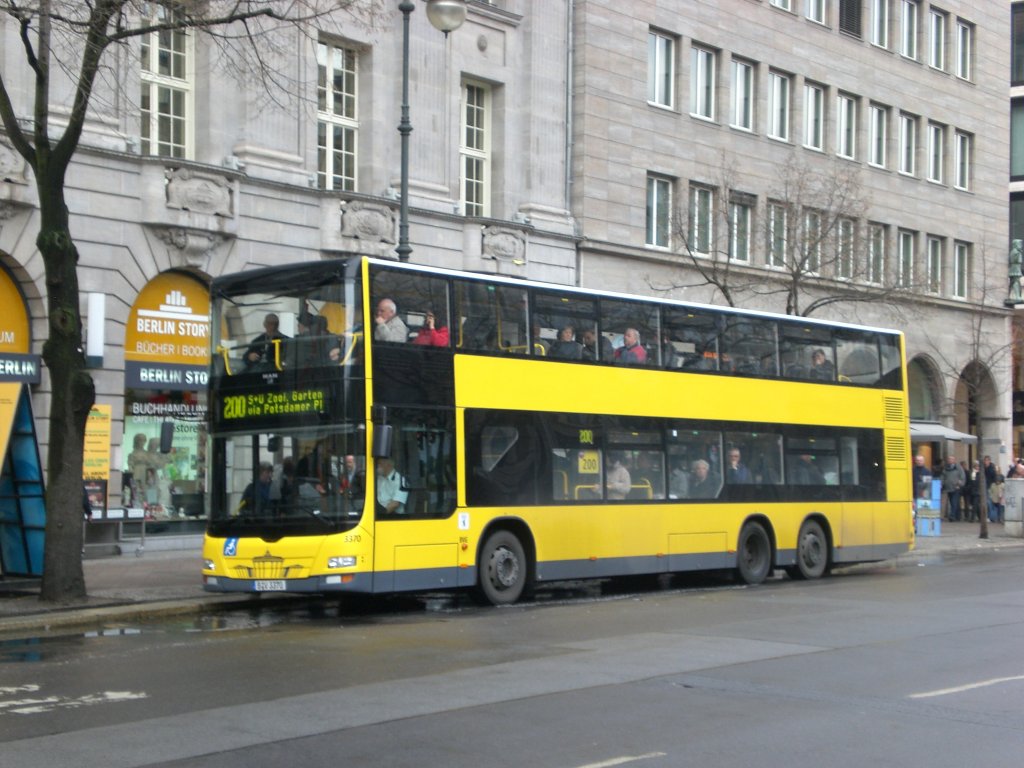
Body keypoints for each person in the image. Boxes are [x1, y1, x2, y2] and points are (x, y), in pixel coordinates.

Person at [941, 455, 965, 522]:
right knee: (952, 503)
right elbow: (943, 476)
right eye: (949, 459)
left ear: (954, 460)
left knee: (954, 502)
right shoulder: (945, 468)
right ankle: (957, 516)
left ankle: (952, 516)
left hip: (956, 488)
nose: (950, 460)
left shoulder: (959, 468)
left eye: (951, 459)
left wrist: (960, 484)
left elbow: (962, 477)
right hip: (947, 488)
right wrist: (941, 483)